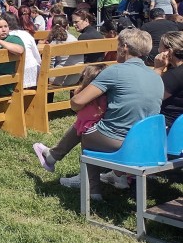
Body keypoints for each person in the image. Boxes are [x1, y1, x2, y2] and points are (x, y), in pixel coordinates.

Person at [42, 29, 163, 198]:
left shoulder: (115, 71)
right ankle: (55, 158)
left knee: (86, 129)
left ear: (125, 47)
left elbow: (77, 102)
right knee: (90, 128)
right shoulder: (155, 76)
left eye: (117, 45)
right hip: (146, 143)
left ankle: (91, 189)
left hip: (116, 141)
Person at [32, 64, 109, 195]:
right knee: (81, 127)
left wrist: (83, 87)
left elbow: (75, 105)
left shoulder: (82, 94)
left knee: (81, 128)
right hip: (103, 128)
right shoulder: (108, 97)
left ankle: (90, 187)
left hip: (91, 131)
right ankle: (53, 155)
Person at [154, 31, 183, 130]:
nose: (158, 50)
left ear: (169, 51)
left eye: (160, 47)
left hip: (170, 126)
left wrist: (158, 69)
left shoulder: (174, 75)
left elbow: (152, 97)